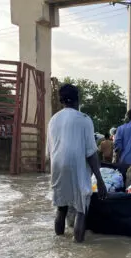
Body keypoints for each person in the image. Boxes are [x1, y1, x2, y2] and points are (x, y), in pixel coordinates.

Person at [47, 84, 107, 243]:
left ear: (61, 101)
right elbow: (91, 153)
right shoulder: (84, 119)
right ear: (77, 99)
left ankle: (59, 245)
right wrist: (100, 181)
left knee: (61, 208)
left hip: (57, 166)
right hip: (76, 165)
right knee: (81, 209)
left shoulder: (53, 120)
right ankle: (78, 247)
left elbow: (50, 150)